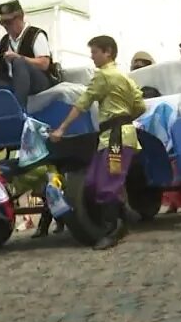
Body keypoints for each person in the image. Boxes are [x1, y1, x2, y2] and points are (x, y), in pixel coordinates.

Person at [49, 35, 146, 250]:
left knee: (106, 183)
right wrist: (126, 116)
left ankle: (114, 229)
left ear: (108, 52)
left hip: (115, 138)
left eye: (95, 52)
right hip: (115, 135)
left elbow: (82, 103)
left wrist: (62, 128)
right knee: (93, 181)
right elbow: (140, 105)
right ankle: (124, 214)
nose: (92, 57)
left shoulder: (103, 76)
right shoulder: (125, 78)